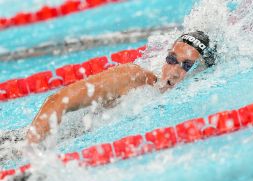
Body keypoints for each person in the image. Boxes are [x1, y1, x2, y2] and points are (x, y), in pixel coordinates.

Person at [26, 31, 216, 144]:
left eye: (187, 66)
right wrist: (30, 148)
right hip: (23, 147)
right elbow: (58, 101)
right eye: (171, 59)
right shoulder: (132, 77)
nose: (173, 71)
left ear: (197, 71)